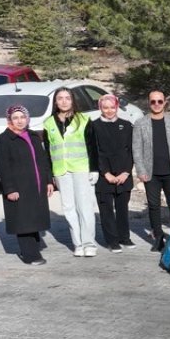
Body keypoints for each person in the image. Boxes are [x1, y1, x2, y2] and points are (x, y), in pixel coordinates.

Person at [0, 104, 54, 265]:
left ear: (27, 118)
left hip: (36, 185)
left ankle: (33, 248)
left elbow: (43, 160)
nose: (19, 121)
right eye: (15, 118)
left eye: (22, 117)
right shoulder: (4, 139)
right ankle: (30, 255)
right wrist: (10, 189)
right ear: (9, 120)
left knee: (33, 218)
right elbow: (3, 167)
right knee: (23, 220)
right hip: (19, 187)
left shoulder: (33, 136)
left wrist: (48, 180)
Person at [44, 86, 99, 257]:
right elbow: (47, 151)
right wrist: (50, 175)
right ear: (55, 102)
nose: (64, 101)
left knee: (85, 207)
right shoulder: (48, 123)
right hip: (61, 171)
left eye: (67, 98)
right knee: (69, 208)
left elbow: (92, 146)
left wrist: (94, 169)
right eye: (60, 98)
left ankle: (89, 243)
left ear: (73, 100)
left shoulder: (83, 119)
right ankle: (78, 243)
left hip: (81, 168)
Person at [133, 89, 170, 251]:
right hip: (151, 173)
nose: (156, 104)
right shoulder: (140, 123)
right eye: (153, 101)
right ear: (148, 103)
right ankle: (158, 236)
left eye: (159, 101)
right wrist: (141, 170)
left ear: (165, 102)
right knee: (153, 205)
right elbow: (137, 149)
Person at [90, 95, 136, 252]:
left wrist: (126, 172)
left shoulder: (127, 125)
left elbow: (131, 151)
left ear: (116, 107)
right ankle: (112, 240)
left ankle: (124, 237)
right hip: (104, 176)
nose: (109, 110)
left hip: (123, 174)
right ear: (100, 108)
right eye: (105, 107)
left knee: (123, 207)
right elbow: (93, 152)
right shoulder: (93, 126)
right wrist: (105, 173)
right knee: (107, 209)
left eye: (112, 107)